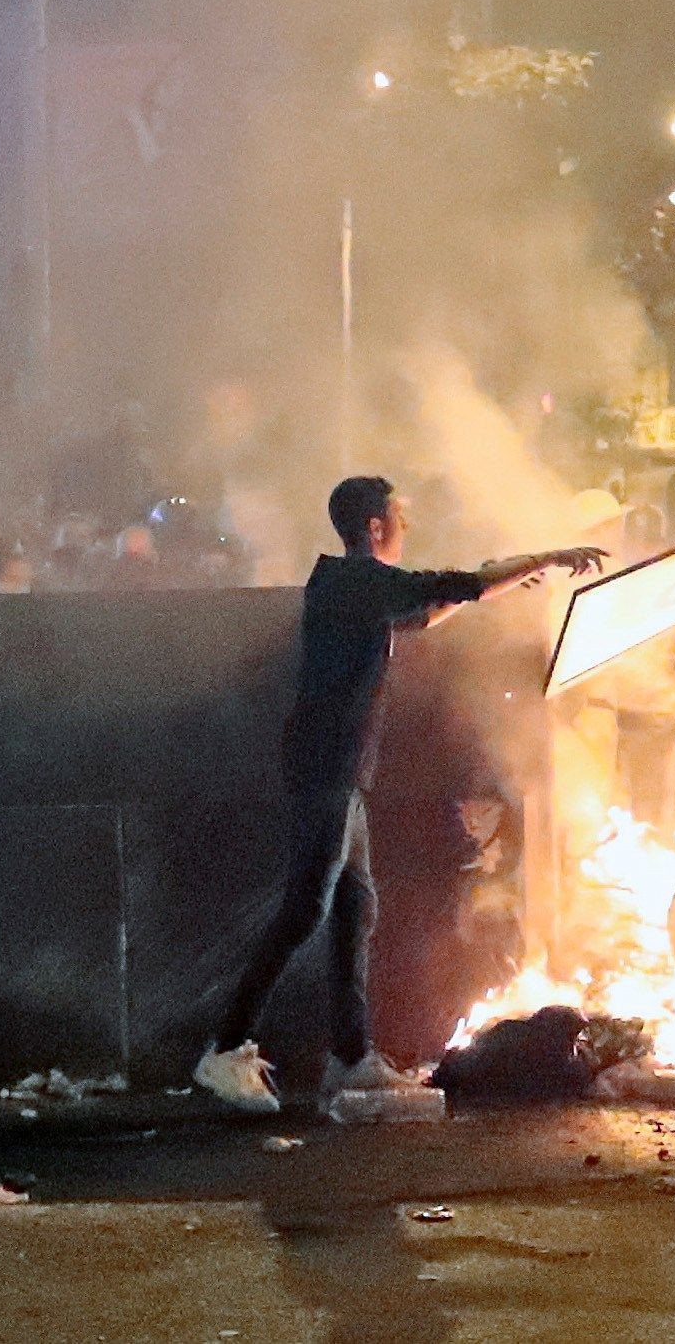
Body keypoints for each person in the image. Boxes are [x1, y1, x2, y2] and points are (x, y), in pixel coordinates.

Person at [192, 476, 603, 1116]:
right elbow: (451, 584)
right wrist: (544, 559)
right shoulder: (352, 579)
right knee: (307, 909)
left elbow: (433, 605)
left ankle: (351, 1060)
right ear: (376, 527)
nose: (406, 526)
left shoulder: (358, 591)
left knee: (356, 910)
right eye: (399, 517)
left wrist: (489, 584)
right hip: (324, 770)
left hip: (342, 773)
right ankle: (224, 1049)